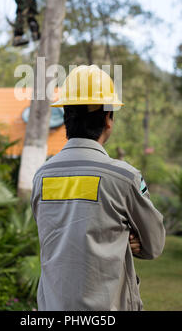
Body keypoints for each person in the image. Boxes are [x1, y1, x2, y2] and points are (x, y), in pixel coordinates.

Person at [31, 65, 165, 311]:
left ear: (66, 118)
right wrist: (127, 236)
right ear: (108, 119)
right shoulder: (123, 178)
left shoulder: (42, 176)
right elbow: (154, 244)